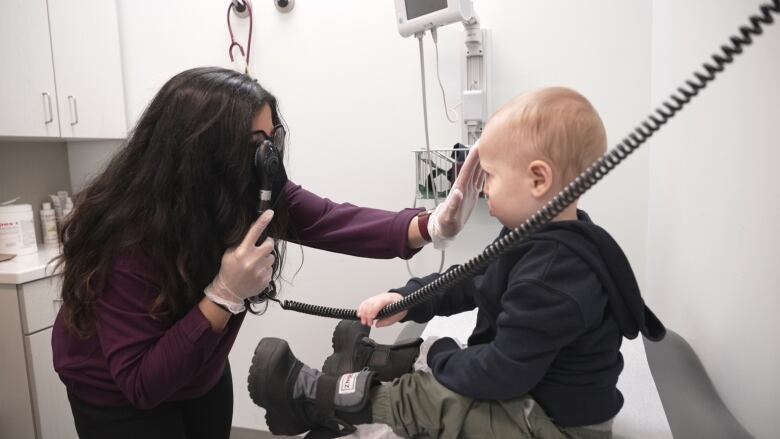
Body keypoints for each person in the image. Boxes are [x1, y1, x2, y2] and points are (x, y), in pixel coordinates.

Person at [51, 67, 482, 439]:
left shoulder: (250, 190)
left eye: (272, 137)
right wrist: (221, 297)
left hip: (198, 366)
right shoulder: (132, 235)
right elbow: (141, 383)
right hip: (117, 394)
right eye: (256, 141)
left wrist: (430, 225)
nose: (269, 154)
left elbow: (333, 220)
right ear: (201, 151)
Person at [247, 87, 666, 438]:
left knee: (435, 397)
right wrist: (407, 298)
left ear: (539, 180)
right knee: (443, 356)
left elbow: (500, 374)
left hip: (557, 426)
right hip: (531, 389)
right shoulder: (538, 238)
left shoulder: (554, 275)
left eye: (492, 177)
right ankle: (376, 361)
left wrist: (441, 357)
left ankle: (312, 397)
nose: (484, 193)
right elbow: (473, 279)